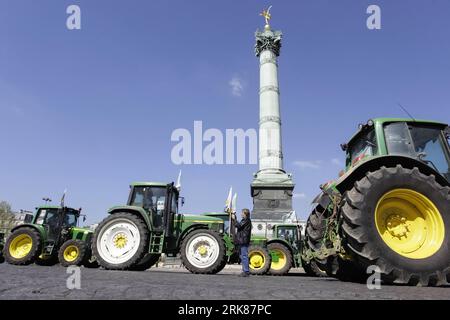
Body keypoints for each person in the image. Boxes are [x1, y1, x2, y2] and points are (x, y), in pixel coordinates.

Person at [232, 208, 252, 277]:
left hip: (243, 240)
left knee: (244, 256)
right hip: (242, 240)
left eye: (242, 213)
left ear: (245, 214)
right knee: (242, 256)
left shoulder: (246, 220)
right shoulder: (245, 220)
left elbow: (238, 226)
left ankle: (246, 271)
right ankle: (245, 270)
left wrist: (234, 219)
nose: (241, 214)